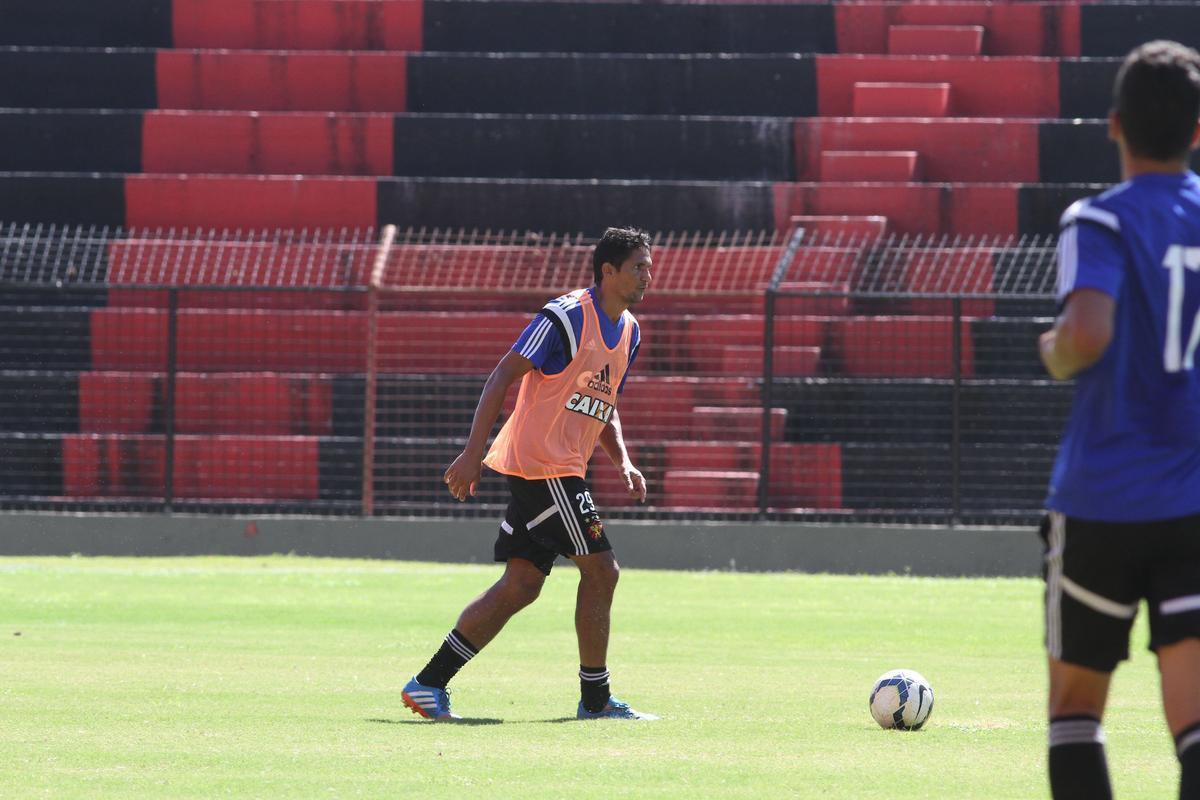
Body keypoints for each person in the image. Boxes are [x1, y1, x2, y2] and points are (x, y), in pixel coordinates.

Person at [402, 226, 657, 721]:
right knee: (602, 571)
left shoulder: (630, 330)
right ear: (609, 271)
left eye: (649, 266)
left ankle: (428, 683)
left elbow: (602, 401)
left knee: (521, 585)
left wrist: (621, 459)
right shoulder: (563, 317)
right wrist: (472, 453)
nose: (649, 275)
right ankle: (596, 700)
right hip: (544, 468)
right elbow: (502, 374)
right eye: (639, 267)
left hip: (560, 469)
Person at [1039, 40, 1200, 799]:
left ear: (1114, 126)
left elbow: (1086, 336)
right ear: (1197, 131)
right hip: (1194, 503)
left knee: (1076, 712)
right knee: (1195, 722)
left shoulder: (1095, 221)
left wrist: (1053, 349)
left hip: (1102, 499)